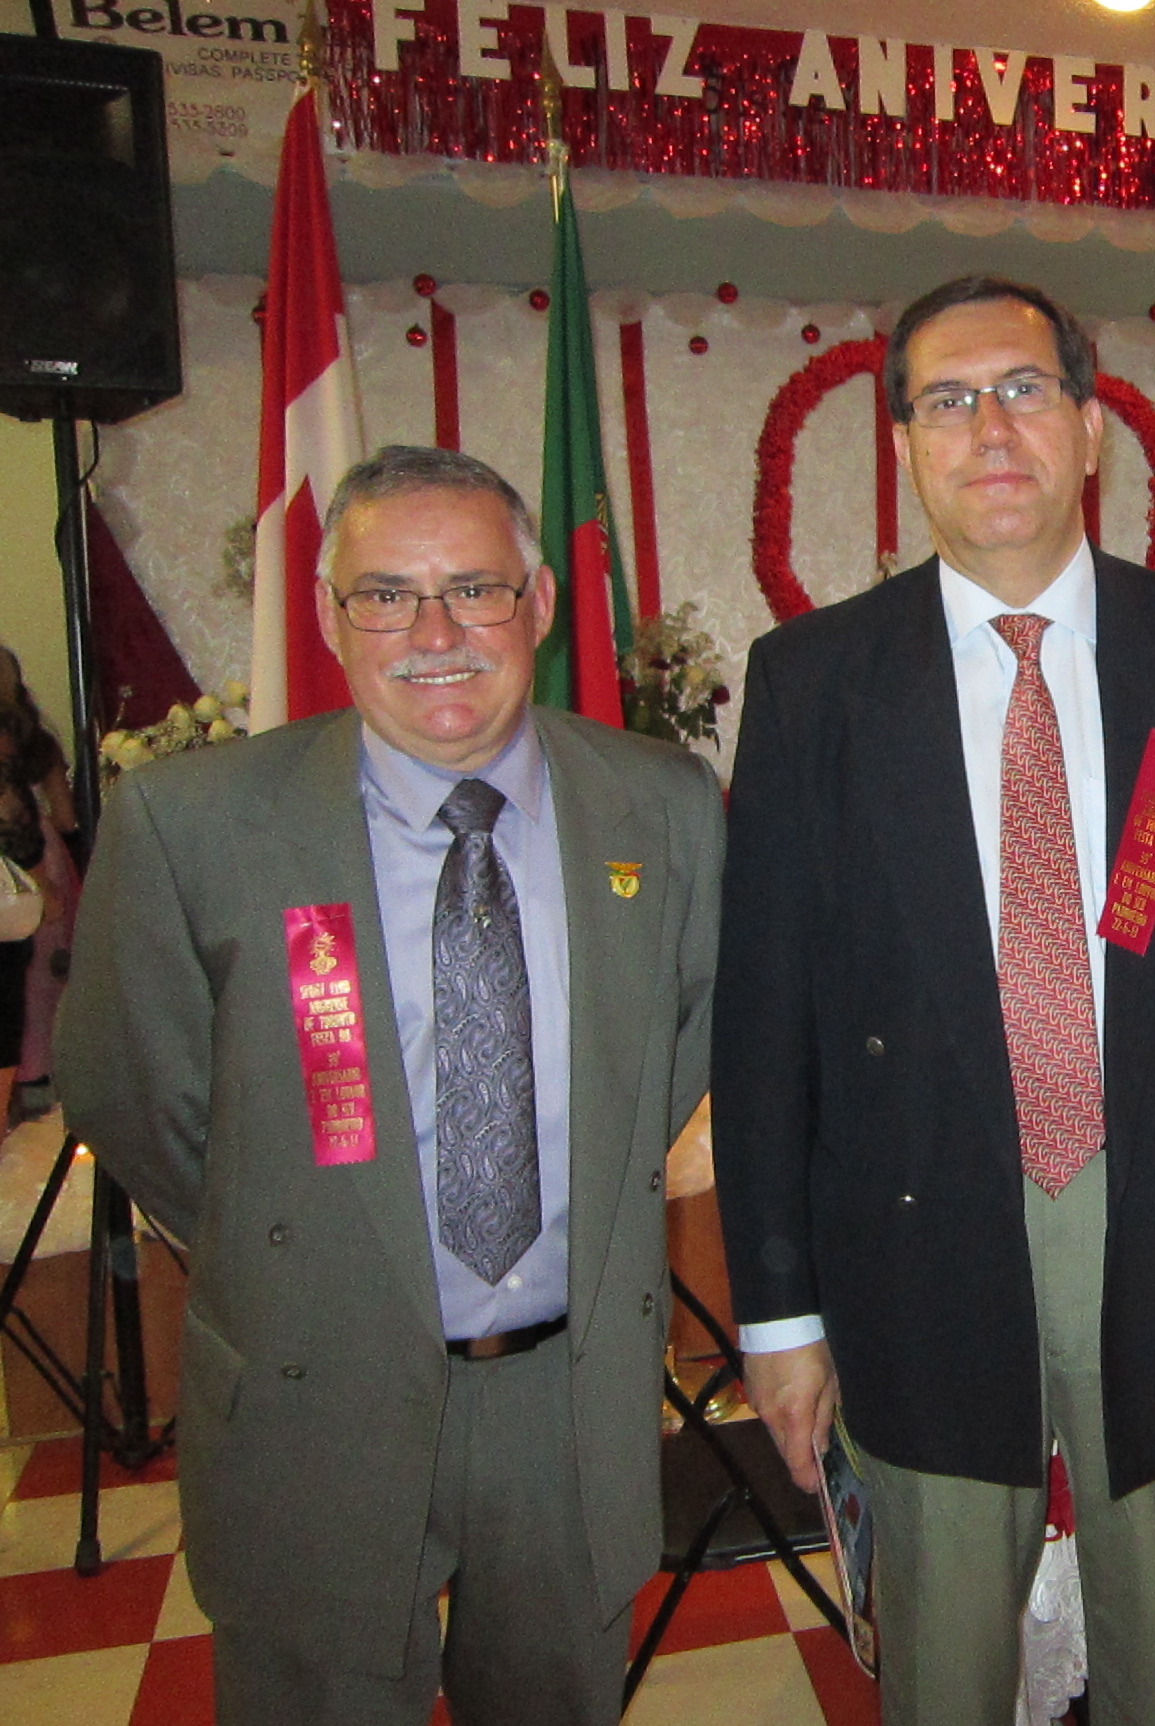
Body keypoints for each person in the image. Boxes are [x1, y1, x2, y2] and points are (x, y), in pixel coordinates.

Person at [712, 275, 1155, 1726]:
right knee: (940, 1667)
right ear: (902, 445)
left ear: (1086, 430)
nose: (986, 427)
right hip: (915, 1234)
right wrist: (777, 1316)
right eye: (947, 400)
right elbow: (765, 1024)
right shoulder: (812, 683)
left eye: (1021, 390)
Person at [56, 446, 724, 1726]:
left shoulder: (665, 806)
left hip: (564, 1403)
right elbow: (133, 1089)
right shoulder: (194, 824)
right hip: (317, 1392)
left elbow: (678, 1045)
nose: (435, 634)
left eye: (474, 589)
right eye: (386, 595)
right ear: (326, 615)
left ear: (536, 603)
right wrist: (299, 1243)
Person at [0, 643, 79, 1121]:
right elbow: (62, 815)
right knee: (36, 981)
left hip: (19, 866)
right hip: (24, 867)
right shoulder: (31, 738)